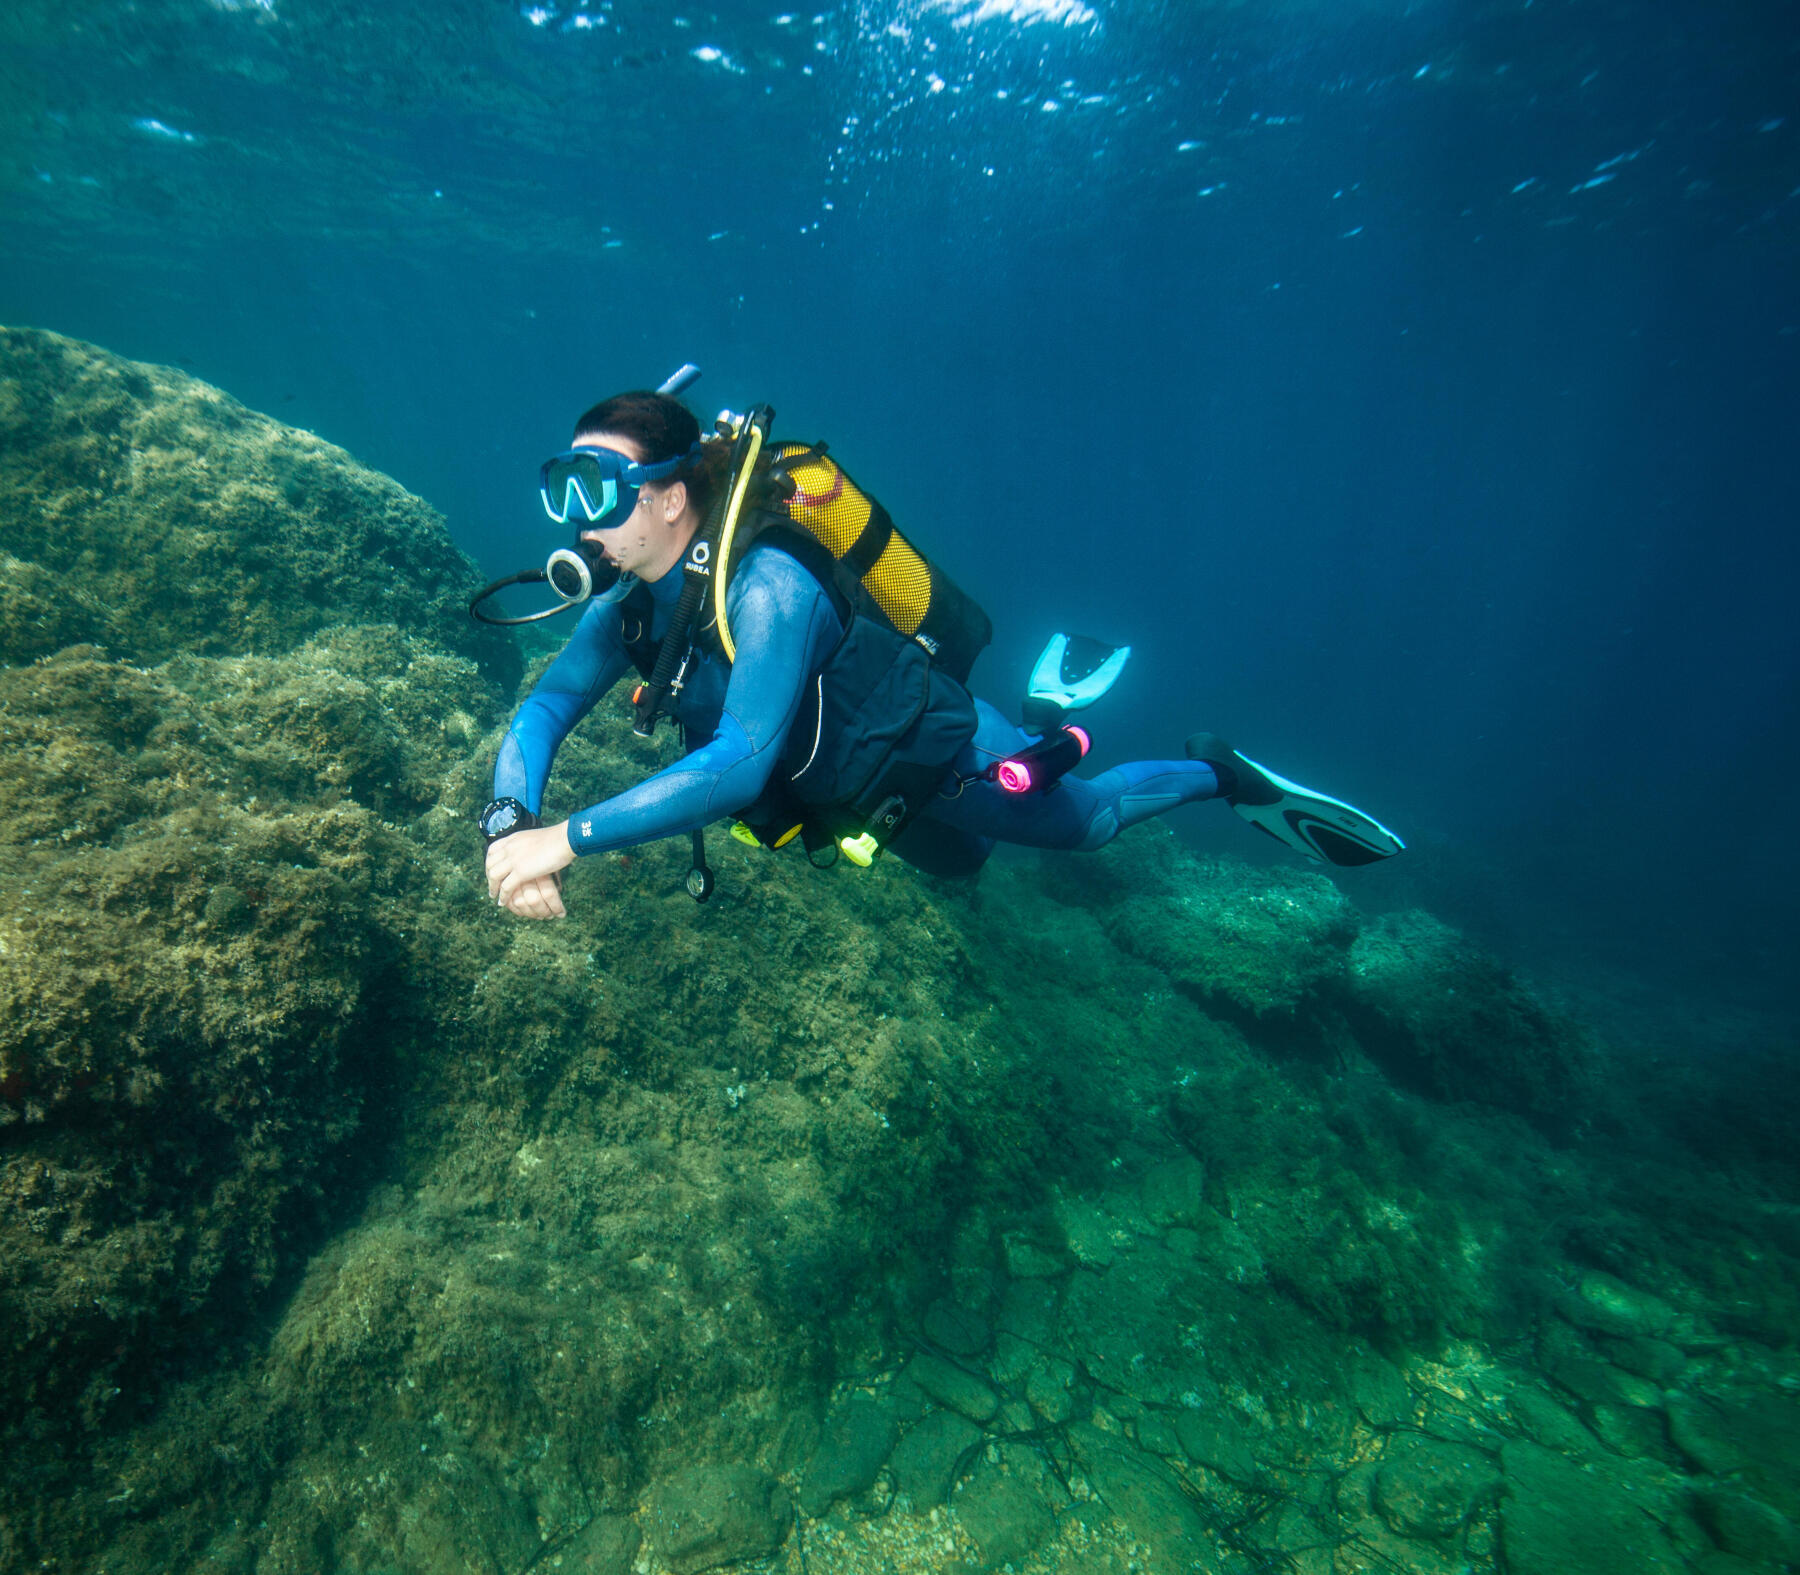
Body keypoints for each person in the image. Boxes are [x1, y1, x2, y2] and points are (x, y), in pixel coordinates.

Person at [481, 391, 1402, 920]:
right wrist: (504, 827)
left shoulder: (766, 585)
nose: (575, 519)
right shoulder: (634, 606)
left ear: (672, 498)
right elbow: (545, 709)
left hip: (937, 756)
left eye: (595, 488)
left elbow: (737, 760)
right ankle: (1045, 721)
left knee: (1086, 824)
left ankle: (1221, 774)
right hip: (851, 798)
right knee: (961, 866)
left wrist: (561, 839)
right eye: (561, 488)